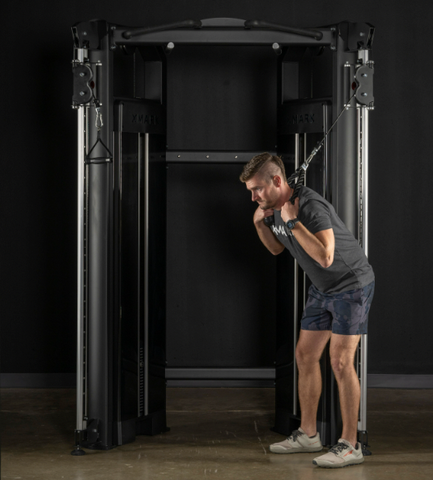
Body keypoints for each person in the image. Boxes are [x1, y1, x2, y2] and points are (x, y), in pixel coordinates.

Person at [240, 153, 375, 469]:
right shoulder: (273, 210)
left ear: (277, 181)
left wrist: (291, 221)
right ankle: (309, 434)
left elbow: (326, 257)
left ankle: (350, 444)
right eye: (250, 191)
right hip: (323, 289)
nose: (253, 197)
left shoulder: (310, 207)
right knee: (305, 356)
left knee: (340, 362)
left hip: (350, 285)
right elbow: (277, 248)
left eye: (257, 189)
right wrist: (262, 225)